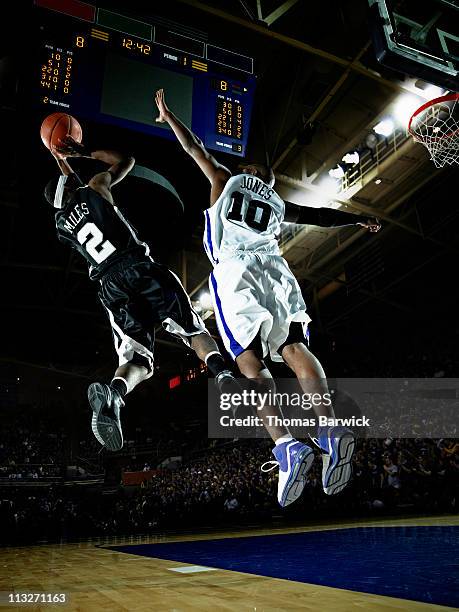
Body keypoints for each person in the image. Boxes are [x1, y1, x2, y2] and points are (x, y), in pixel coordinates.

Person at [154, 88, 381, 506]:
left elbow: (195, 148)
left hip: (236, 270)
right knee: (295, 348)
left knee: (249, 361)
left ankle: (287, 446)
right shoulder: (276, 203)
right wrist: (358, 219)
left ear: (246, 171)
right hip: (277, 270)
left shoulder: (224, 181)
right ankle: (329, 429)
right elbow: (319, 217)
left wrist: (168, 116)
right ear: (267, 179)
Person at [44, 135, 238, 451]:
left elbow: (67, 192)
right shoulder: (96, 186)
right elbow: (125, 161)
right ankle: (223, 374)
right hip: (137, 265)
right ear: (72, 184)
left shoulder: (62, 226)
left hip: (109, 287)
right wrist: (83, 152)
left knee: (139, 360)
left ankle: (116, 395)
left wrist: (59, 159)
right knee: (191, 329)